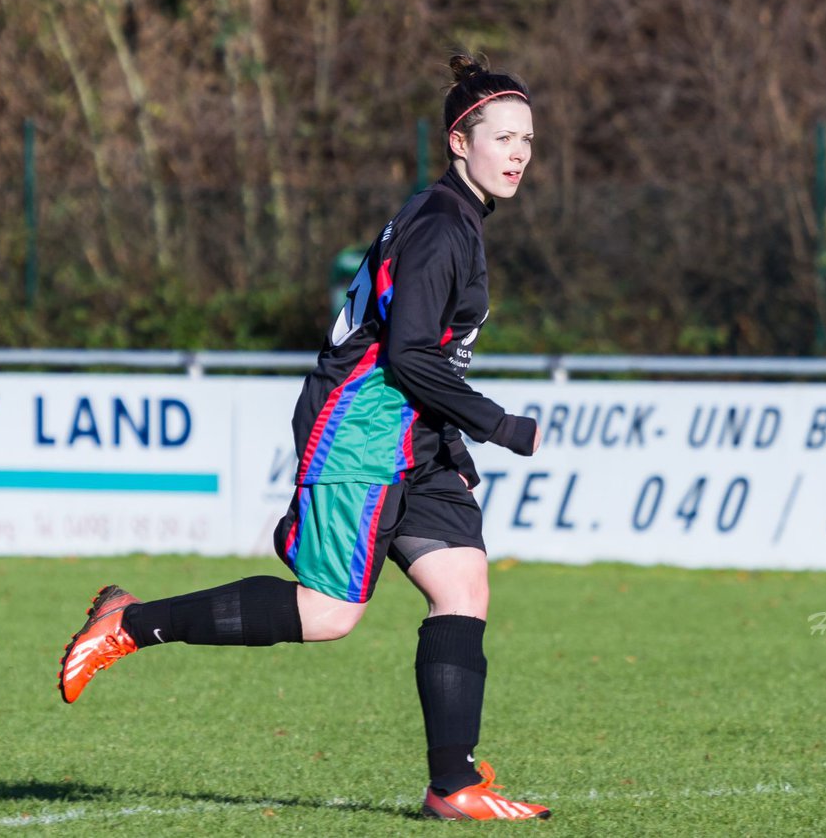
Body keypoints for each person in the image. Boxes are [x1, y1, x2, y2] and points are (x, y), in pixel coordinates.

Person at [57, 53, 550, 822]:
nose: (518, 153)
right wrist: (496, 426)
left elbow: (422, 353)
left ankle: (452, 785)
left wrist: (450, 448)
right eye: (504, 138)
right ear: (461, 143)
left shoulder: (456, 221)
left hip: (411, 437)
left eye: (527, 140)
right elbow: (411, 353)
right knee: (327, 614)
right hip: (361, 431)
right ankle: (129, 622)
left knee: (463, 586)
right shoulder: (439, 226)